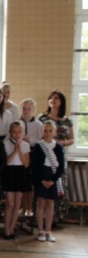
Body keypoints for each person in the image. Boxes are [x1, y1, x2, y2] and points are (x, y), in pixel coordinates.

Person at [37, 90, 74, 223]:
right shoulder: (42, 118)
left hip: (59, 155)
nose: (53, 100)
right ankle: (41, 219)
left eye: (56, 98)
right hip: (44, 154)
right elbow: (37, 136)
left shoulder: (67, 120)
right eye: (51, 98)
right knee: (43, 184)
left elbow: (72, 139)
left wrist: (62, 142)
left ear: (61, 101)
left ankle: (56, 217)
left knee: (58, 183)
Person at [32, 120, 65, 242]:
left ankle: (48, 230)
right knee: (41, 203)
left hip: (53, 176)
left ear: (54, 132)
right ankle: (40, 230)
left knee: (50, 203)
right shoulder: (38, 146)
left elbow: (61, 166)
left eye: (50, 130)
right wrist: (41, 180)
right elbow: (34, 166)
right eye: (45, 130)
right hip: (41, 176)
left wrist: (52, 180)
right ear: (42, 132)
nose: (47, 133)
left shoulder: (58, 147)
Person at [2, 121, 31, 240]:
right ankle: (6, 230)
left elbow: (26, 164)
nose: (17, 134)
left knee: (17, 204)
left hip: (20, 173)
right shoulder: (5, 144)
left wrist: (19, 150)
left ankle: (11, 229)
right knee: (10, 203)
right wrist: (14, 151)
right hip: (9, 172)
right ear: (10, 132)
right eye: (14, 132)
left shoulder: (26, 145)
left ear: (23, 133)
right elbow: (5, 162)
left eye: (19, 132)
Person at [19, 98, 43, 217]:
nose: (26, 111)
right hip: (21, 153)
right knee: (22, 181)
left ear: (33, 110)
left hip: (33, 153)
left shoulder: (38, 124)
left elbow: (41, 139)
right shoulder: (18, 122)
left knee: (31, 182)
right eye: (24, 108)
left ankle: (29, 207)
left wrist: (30, 140)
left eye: (29, 108)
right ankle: (21, 206)